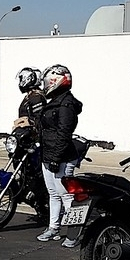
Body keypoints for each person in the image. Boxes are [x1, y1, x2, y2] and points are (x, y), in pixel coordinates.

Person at [36, 64, 83, 247]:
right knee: (53, 194)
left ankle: (74, 233)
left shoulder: (66, 104)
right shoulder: (55, 101)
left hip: (62, 156)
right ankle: (53, 227)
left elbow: (64, 132)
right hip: (48, 154)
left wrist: (56, 158)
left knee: (66, 196)